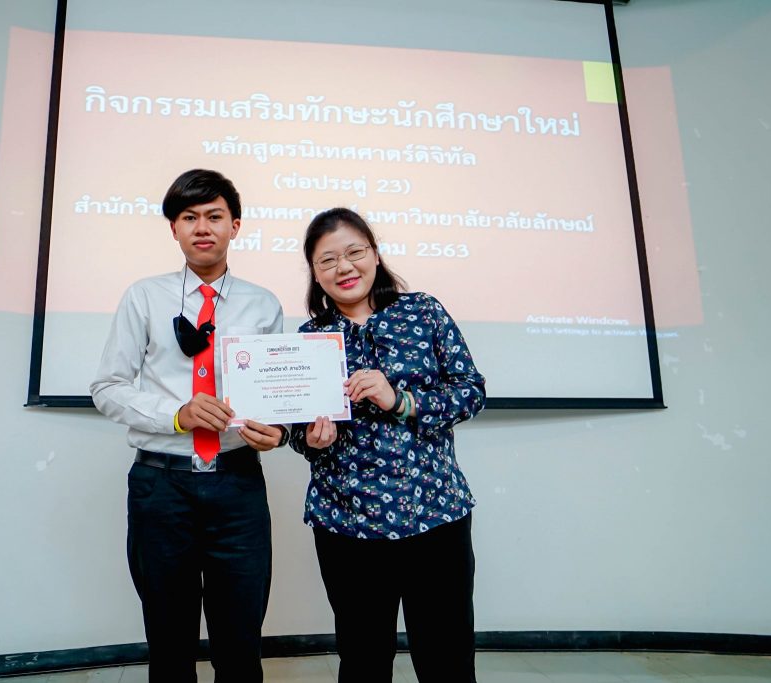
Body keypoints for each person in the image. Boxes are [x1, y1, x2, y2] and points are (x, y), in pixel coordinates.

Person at [90, 169, 288, 683]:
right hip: (161, 487)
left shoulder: (263, 303)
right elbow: (107, 387)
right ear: (174, 229)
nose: (203, 227)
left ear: (235, 226)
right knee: (169, 641)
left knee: (240, 643)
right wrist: (176, 416)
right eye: (189, 217)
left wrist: (279, 431)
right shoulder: (143, 296)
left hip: (238, 484)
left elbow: (276, 396)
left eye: (215, 216)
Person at [289, 207, 486, 683]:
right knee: (363, 662)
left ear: (375, 255)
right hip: (346, 523)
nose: (344, 267)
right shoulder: (310, 339)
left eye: (354, 252)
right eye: (327, 260)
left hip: (434, 513)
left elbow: (471, 391)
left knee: (447, 660)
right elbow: (296, 431)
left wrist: (400, 401)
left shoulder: (423, 311)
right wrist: (312, 440)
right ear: (315, 272)